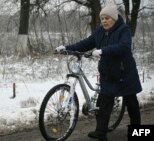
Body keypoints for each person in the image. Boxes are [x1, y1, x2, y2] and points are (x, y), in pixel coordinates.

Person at [55, 5, 142, 141]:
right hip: (108, 73)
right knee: (103, 103)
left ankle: (138, 133)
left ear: (113, 18)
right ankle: (101, 133)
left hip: (125, 74)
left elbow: (124, 47)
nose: (104, 21)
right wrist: (66, 48)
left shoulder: (123, 30)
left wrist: (102, 51)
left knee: (131, 103)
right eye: (102, 18)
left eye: (107, 18)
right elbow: (85, 43)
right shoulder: (100, 31)